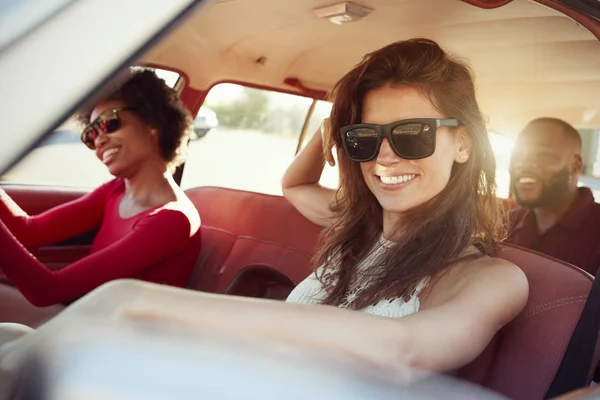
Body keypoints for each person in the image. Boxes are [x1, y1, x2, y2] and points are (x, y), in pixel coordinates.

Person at [1, 39, 527, 383]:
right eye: (367, 137)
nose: (385, 155)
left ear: (464, 144)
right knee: (19, 342)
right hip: (239, 378)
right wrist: (333, 135)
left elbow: (407, 348)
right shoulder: (355, 229)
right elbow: (294, 184)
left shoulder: (489, 276)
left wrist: (143, 303)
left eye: (411, 134)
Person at [0, 69, 202, 307]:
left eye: (108, 123)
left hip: (118, 336)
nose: (98, 141)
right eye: (91, 134)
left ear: (153, 123)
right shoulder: (116, 191)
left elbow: (49, 290)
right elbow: (28, 232)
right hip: (90, 318)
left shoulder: (172, 219)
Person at [506, 118, 600, 275]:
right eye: (517, 155)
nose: (524, 164)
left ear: (575, 165)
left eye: (543, 155)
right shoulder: (507, 223)